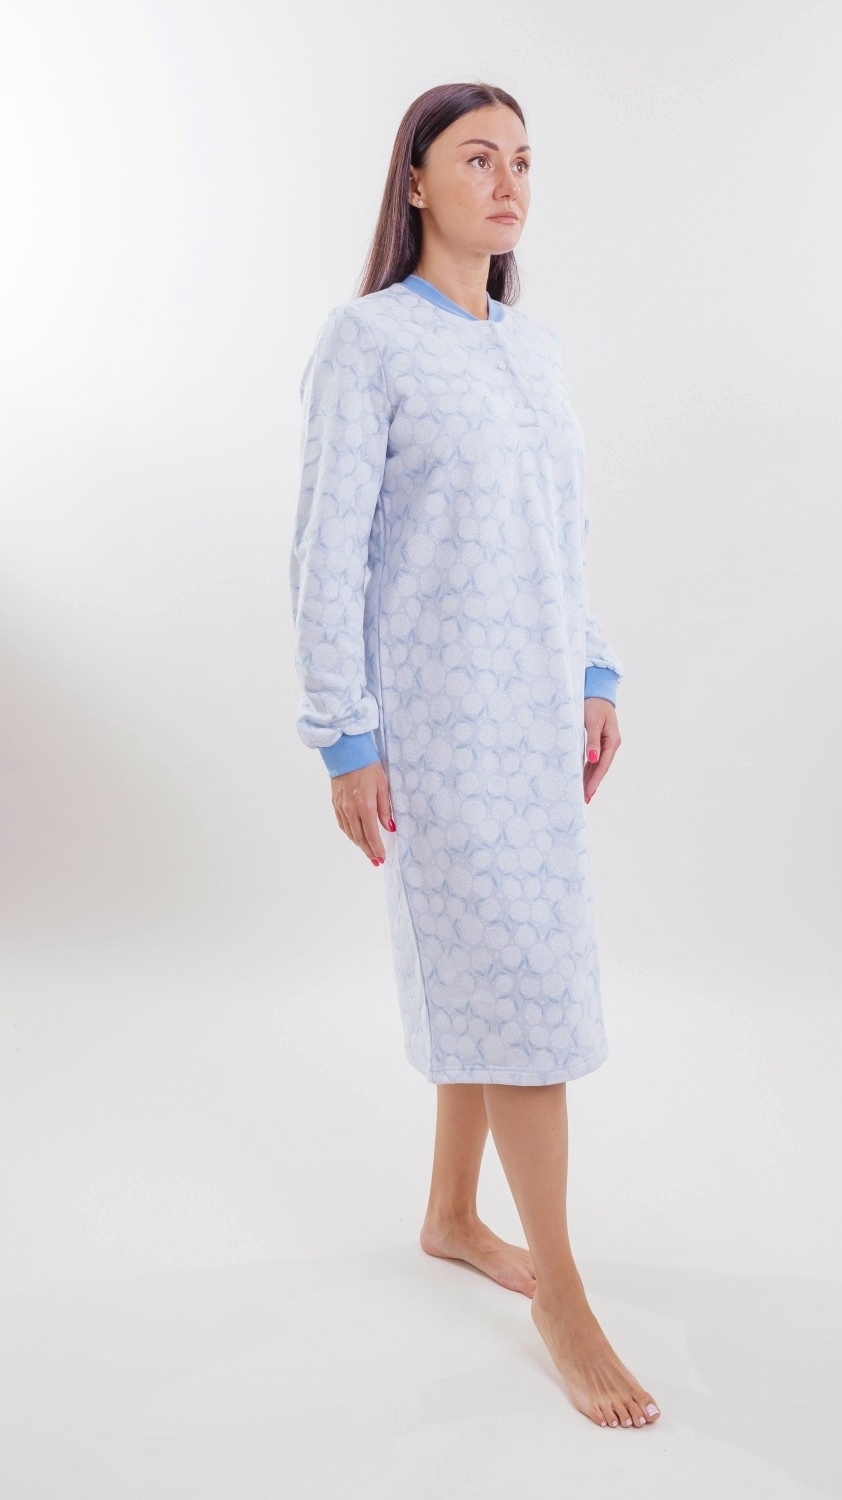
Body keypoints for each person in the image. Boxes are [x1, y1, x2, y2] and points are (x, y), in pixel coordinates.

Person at [290, 81, 659, 1431]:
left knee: (496, 978)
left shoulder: (533, 350)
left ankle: (453, 1213)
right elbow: (327, 548)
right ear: (416, 181)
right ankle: (563, 1293)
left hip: (536, 724)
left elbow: (560, 534)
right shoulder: (367, 342)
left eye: (523, 162)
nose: (509, 184)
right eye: (478, 159)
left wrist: (594, 672)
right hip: (436, 733)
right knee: (522, 996)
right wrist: (345, 734)